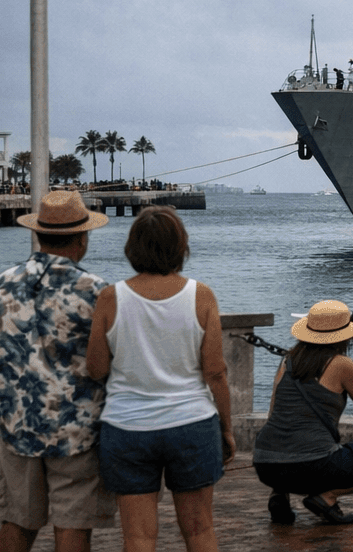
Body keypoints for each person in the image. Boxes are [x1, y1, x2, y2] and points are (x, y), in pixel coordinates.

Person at [0, 189, 117, 552]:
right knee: (73, 525)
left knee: (18, 521)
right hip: (78, 429)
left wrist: (16, 373)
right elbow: (110, 361)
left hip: (18, 425)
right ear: (82, 238)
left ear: (38, 233)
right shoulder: (95, 291)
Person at [86, 206, 233, 552]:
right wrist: (226, 429)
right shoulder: (202, 296)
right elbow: (215, 372)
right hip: (192, 423)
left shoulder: (111, 297)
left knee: (137, 537)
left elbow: (96, 368)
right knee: (199, 531)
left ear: (132, 247)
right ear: (181, 247)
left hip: (127, 427)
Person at [251, 300, 353, 526]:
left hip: (266, 463)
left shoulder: (287, 361)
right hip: (311, 466)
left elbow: (274, 415)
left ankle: (279, 494)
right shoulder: (341, 364)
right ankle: (325, 498)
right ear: (343, 335)